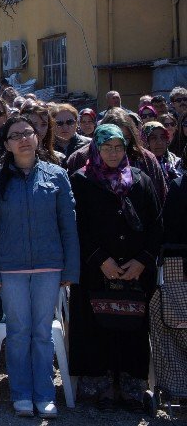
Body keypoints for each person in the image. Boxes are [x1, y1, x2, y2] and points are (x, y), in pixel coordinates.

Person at [0, 115, 80, 418]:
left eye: (28, 133)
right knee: (19, 331)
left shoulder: (57, 175)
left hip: (50, 267)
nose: (23, 139)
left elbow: (68, 225)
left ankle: (44, 393)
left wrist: (70, 270)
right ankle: (21, 393)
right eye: (15, 135)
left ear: (38, 138)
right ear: (7, 144)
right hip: (11, 269)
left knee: (42, 333)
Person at [68, 124, 162, 411]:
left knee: (132, 330)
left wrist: (142, 261)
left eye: (118, 147)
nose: (112, 153)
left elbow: (156, 225)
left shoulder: (140, 179)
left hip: (135, 272)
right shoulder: (82, 180)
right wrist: (101, 260)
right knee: (98, 329)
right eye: (106, 147)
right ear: (95, 148)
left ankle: (133, 387)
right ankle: (102, 388)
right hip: (96, 270)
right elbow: (76, 226)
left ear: (126, 149)